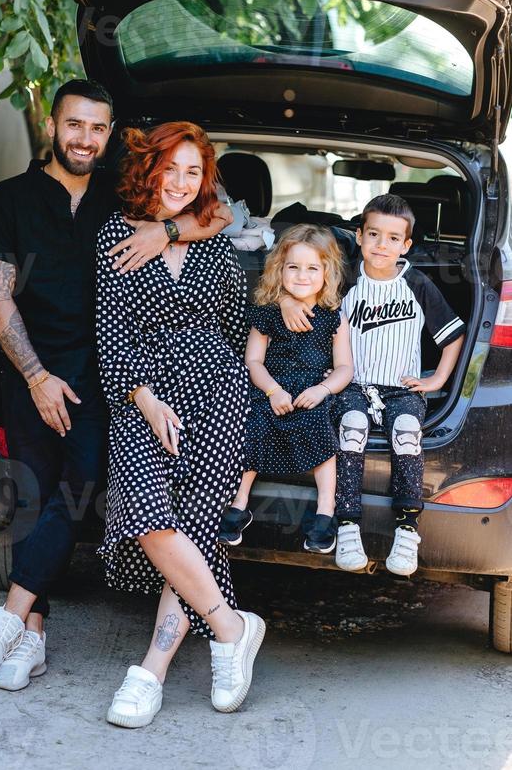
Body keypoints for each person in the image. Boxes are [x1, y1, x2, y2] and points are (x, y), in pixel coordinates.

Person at [0, 81, 233, 691]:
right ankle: (31, 634)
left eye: (97, 128)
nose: (85, 138)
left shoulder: (126, 194)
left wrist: (166, 233)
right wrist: (37, 377)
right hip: (26, 368)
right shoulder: (10, 198)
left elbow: (217, 210)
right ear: (52, 125)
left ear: (110, 133)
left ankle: (9, 620)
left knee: (79, 489)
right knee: (31, 499)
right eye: (74, 125)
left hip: (105, 374)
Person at [96, 121, 265, 729]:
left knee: (193, 527)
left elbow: (234, 320)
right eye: (171, 167)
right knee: (146, 515)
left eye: (194, 171)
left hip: (215, 391)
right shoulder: (116, 235)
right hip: (142, 391)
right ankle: (231, 627)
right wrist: (146, 398)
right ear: (149, 167)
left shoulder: (213, 238)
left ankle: (151, 671)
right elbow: (111, 333)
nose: (181, 181)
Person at [284, 194, 465, 576]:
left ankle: (407, 528)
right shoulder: (346, 278)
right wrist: (287, 301)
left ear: (406, 245)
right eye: (374, 235)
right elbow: (303, 290)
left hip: (401, 389)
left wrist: (438, 379)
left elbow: (453, 338)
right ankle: (347, 525)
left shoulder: (417, 283)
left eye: (393, 238)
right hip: (354, 383)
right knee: (352, 428)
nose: (382, 245)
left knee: (407, 430)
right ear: (359, 235)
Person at [218, 224, 353, 553]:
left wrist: (323, 390)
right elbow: (253, 362)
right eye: (293, 267)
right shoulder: (266, 314)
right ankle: (239, 503)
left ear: (327, 272)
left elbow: (346, 368)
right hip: (272, 388)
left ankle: (325, 511)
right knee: (253, 424)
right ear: (280, 269)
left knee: (321, 427)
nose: (302, 276)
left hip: (312, 390)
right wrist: (272, 391)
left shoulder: (334, 317)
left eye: (312, 268)